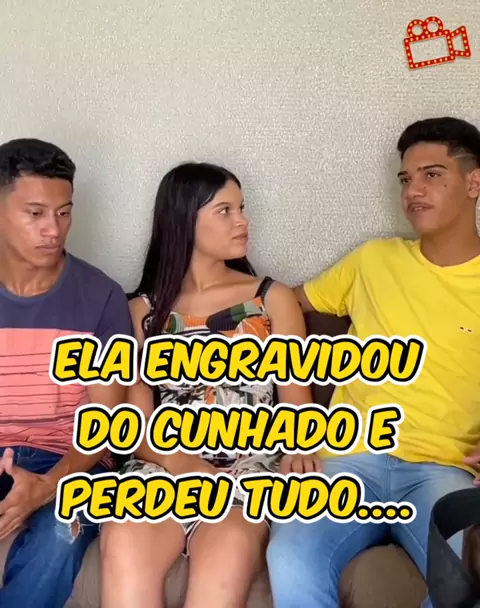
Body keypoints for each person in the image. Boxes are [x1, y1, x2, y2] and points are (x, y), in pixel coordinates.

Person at [266, 116, 480, 608]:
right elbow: (281, 305)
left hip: (441, 470)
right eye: (406, 179)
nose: (413, 191)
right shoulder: (373, 260)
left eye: (432, 175)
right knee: (289, 556)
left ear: (474, 183)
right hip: (348, 459)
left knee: (468, 571)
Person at [99, 161, 321, 608]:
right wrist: (179, 463)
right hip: (162, 467)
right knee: (123, 542)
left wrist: (301, 448)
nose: (243, 221)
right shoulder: (141, 311)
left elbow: (299, 410)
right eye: (225, 210)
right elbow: (135, 421)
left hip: (247, 470)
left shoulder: (271, 299)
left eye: (242, 207)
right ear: (185, 219)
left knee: (225, 563)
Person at [0, 138, 133, 608]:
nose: (53, 230)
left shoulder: (101, 296)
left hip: (72, 462)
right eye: (35, 213)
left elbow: (103, 426)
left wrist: (45, 486)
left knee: (60, 532)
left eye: (63, 213)